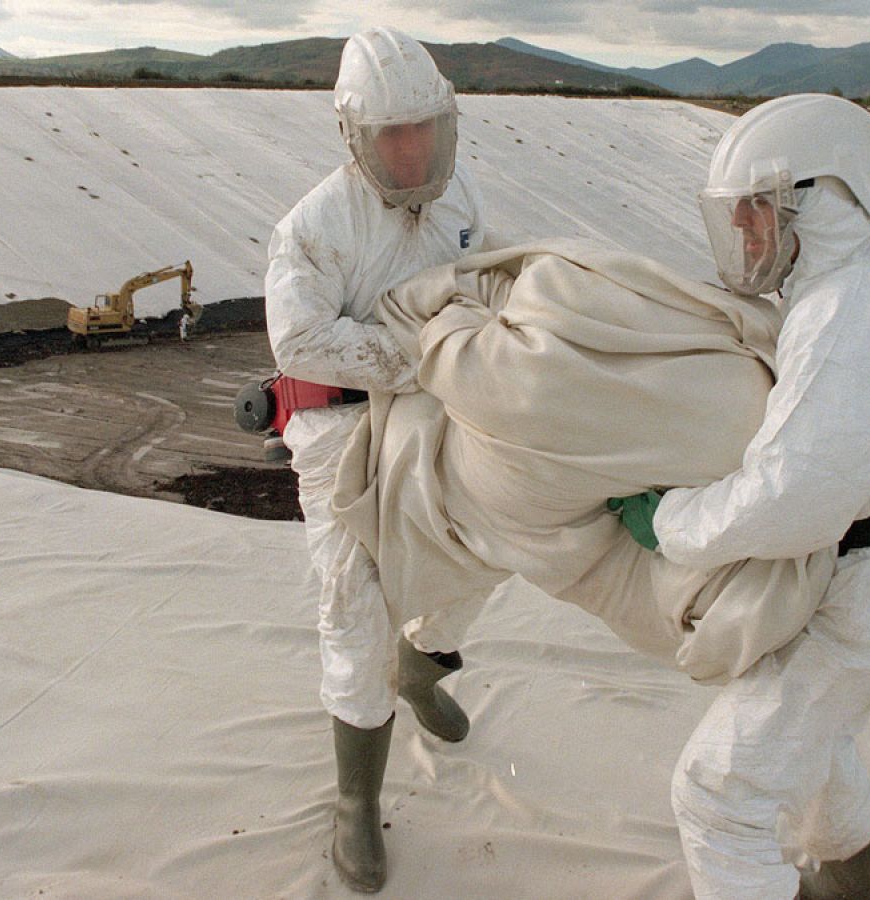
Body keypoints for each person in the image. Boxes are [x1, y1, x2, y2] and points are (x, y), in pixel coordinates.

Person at [610, 93, 870, 899]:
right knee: (813, 750)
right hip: (851, 588)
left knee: (721, 792)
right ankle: (853, 888)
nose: (748, 233)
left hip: (854, 599)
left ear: (823, 203)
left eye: (760, 211)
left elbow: (795, 498)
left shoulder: (845, 317)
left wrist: (675, 523)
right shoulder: (829, 300)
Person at [263, 26, 495, 892]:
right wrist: (423, 354)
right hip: (341, 432)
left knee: (486, 544)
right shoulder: (314, 228)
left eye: (422, 131)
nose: (409, 151)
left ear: (445, 125)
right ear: (355, 135)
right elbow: (301, 340)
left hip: (439, 410)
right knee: (356, 601)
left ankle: (423, 663)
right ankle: (357, 801)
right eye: (391, 134)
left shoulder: (460, 192)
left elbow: (481, 282)